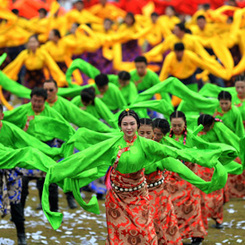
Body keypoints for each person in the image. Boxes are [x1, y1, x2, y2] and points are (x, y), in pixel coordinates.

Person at [42, 108, 228, 237]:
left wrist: (204, 158)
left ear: (137, 126)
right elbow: (86, 158)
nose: (129, 127)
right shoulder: (112, 144)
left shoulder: (146, 144)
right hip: (116, 198)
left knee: (144, 232)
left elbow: (175, 152)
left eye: (132, 124)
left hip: (140, 197)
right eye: (125, 124)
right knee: (119, 235)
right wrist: (58, 170)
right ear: (120, 126)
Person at [138, 118, 182, 244]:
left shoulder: (161, 149)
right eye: (142, 133)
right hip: (137, 195)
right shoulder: (130, 148)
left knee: (159, 223)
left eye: (149, 133)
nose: (147, 136)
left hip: (159, 193)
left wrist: (204, 184)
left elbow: (180, 161)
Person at [165, 111, 206, 245]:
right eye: (174, 125)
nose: (177, 128)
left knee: (192, 207)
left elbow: (203, 151)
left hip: (189, 177)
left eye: (179, 125)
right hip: (172, 178)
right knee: (172, 207)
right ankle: (175, 234)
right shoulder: (166, 137)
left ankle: (196, 235)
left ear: (185, 124)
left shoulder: (192, 137)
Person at [43, 79, 115, 132]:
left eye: (51, 90)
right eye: (45, 90)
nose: (48, 92)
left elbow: (107, 115)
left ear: (57, 90)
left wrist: (113, 129)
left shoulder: (97, 102)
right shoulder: (76, 100)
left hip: (94, 126)